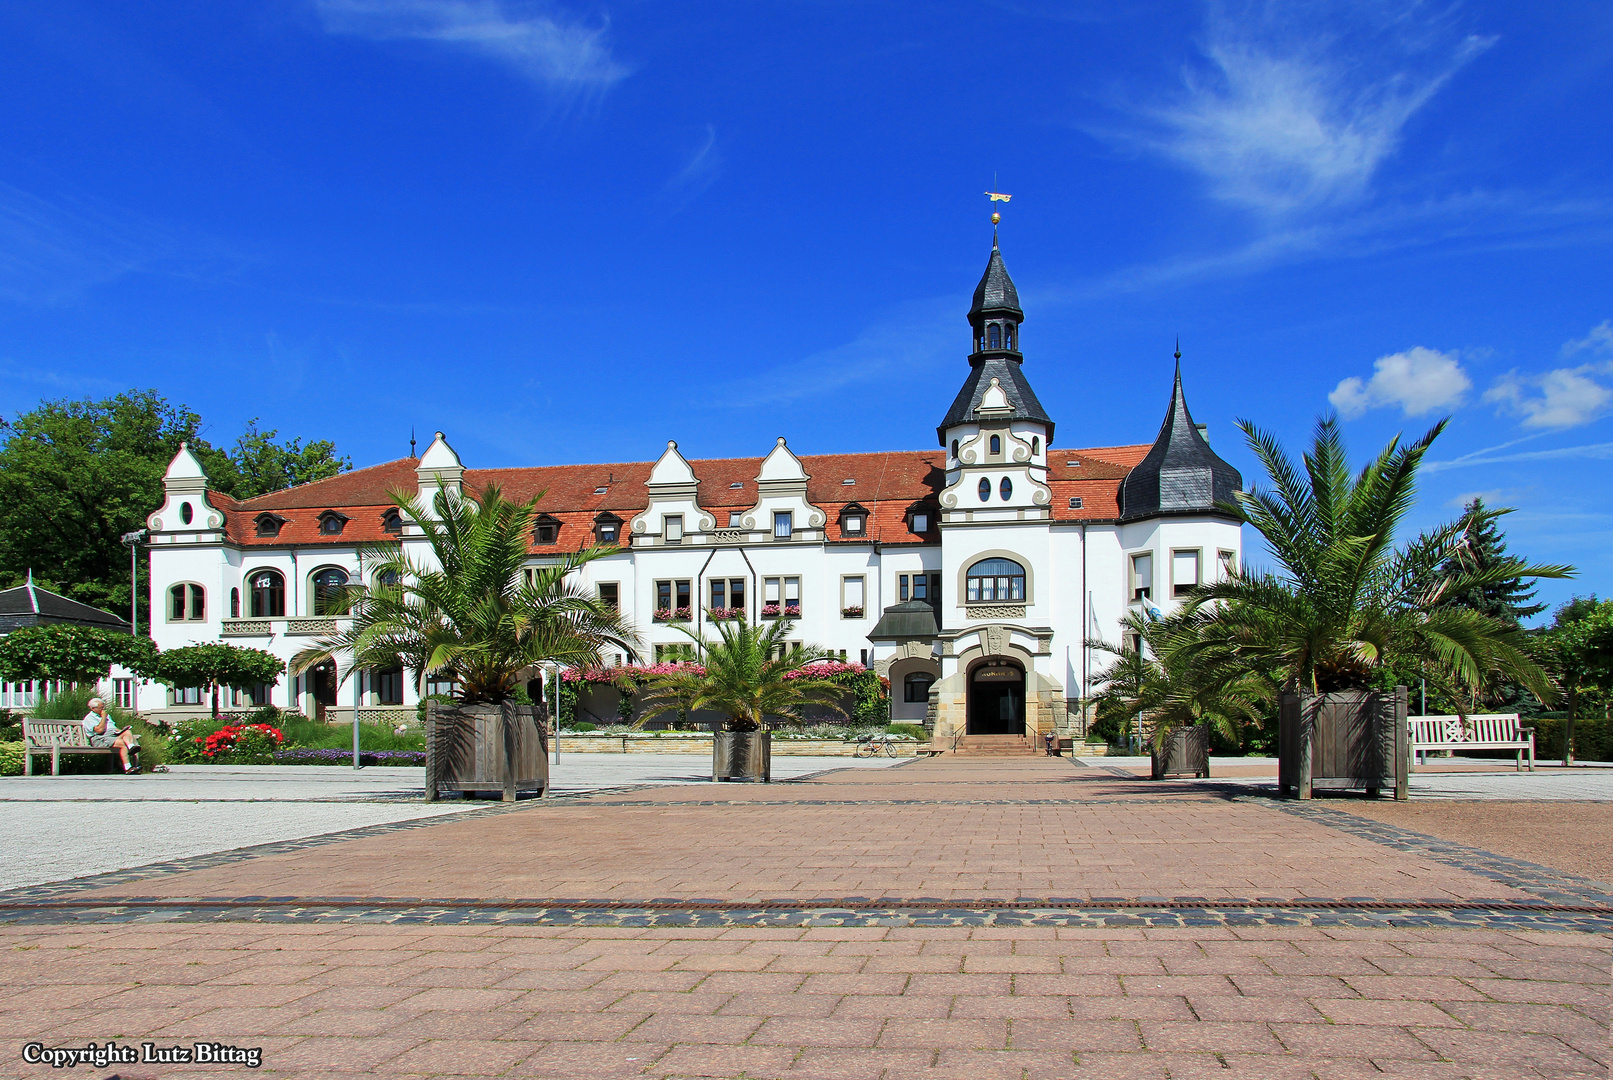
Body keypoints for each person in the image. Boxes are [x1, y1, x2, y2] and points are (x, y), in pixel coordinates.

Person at [83, 698, 139, 774]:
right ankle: (128, 768)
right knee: (122, 744)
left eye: (104, 707)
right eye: (101, 708)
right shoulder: (90, 718)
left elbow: (113, 727)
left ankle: (131, 747)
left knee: (127, 732)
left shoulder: (107, 715)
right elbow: (100, 730)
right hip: (100, 738)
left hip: (111, 735)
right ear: (93, 708)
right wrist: (103, 717)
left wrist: (122, 731)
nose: (103, 709)